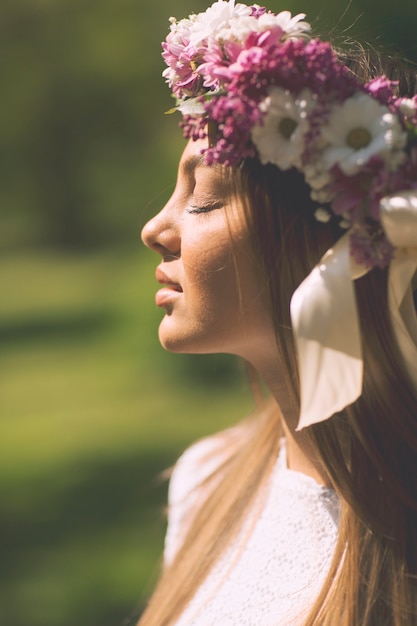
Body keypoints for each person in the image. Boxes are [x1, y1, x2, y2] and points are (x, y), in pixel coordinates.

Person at [140, 1, 417, 624]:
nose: (155, 228)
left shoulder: (400, 538)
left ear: (322, 239)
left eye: (204, 199)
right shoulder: (206, 480)